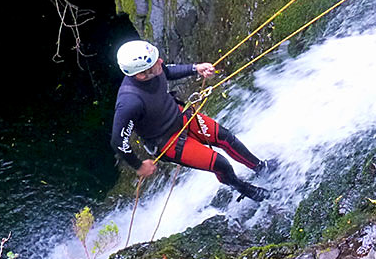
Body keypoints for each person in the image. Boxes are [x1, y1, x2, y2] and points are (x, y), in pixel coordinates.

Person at [110, 40, 274, 202]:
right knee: (220, 164)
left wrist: (195, 68)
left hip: (181, 117)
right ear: (140, 75)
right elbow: (118, 141)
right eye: (155, 62)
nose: (160, 61)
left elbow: (167, 71)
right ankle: (245, 189)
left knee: (226, 138)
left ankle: (261, 168)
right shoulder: (130, 102)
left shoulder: (154, 70)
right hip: (168, 141)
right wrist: (139, 166)